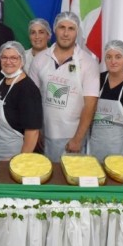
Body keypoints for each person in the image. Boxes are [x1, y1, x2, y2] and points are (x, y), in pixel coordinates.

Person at [28, 12, 100, 162]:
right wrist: (36, 131)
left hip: (72, 137)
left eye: (71, 28)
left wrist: (78, 139)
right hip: (45, 135)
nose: (66, 33)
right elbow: (32, 100)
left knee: (71, 181)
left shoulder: (87, 63)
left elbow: (90, 105)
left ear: (77, 31)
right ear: (54, 30)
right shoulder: (40, 60)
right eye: (62, 27)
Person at [0, 41, 43, 160]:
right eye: (4, 57)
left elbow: (32, 132)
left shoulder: (28, 90)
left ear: (22, 60)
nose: (8, 62)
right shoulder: (0, 81)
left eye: (14, 58)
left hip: (11, 156)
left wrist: (20, 162)